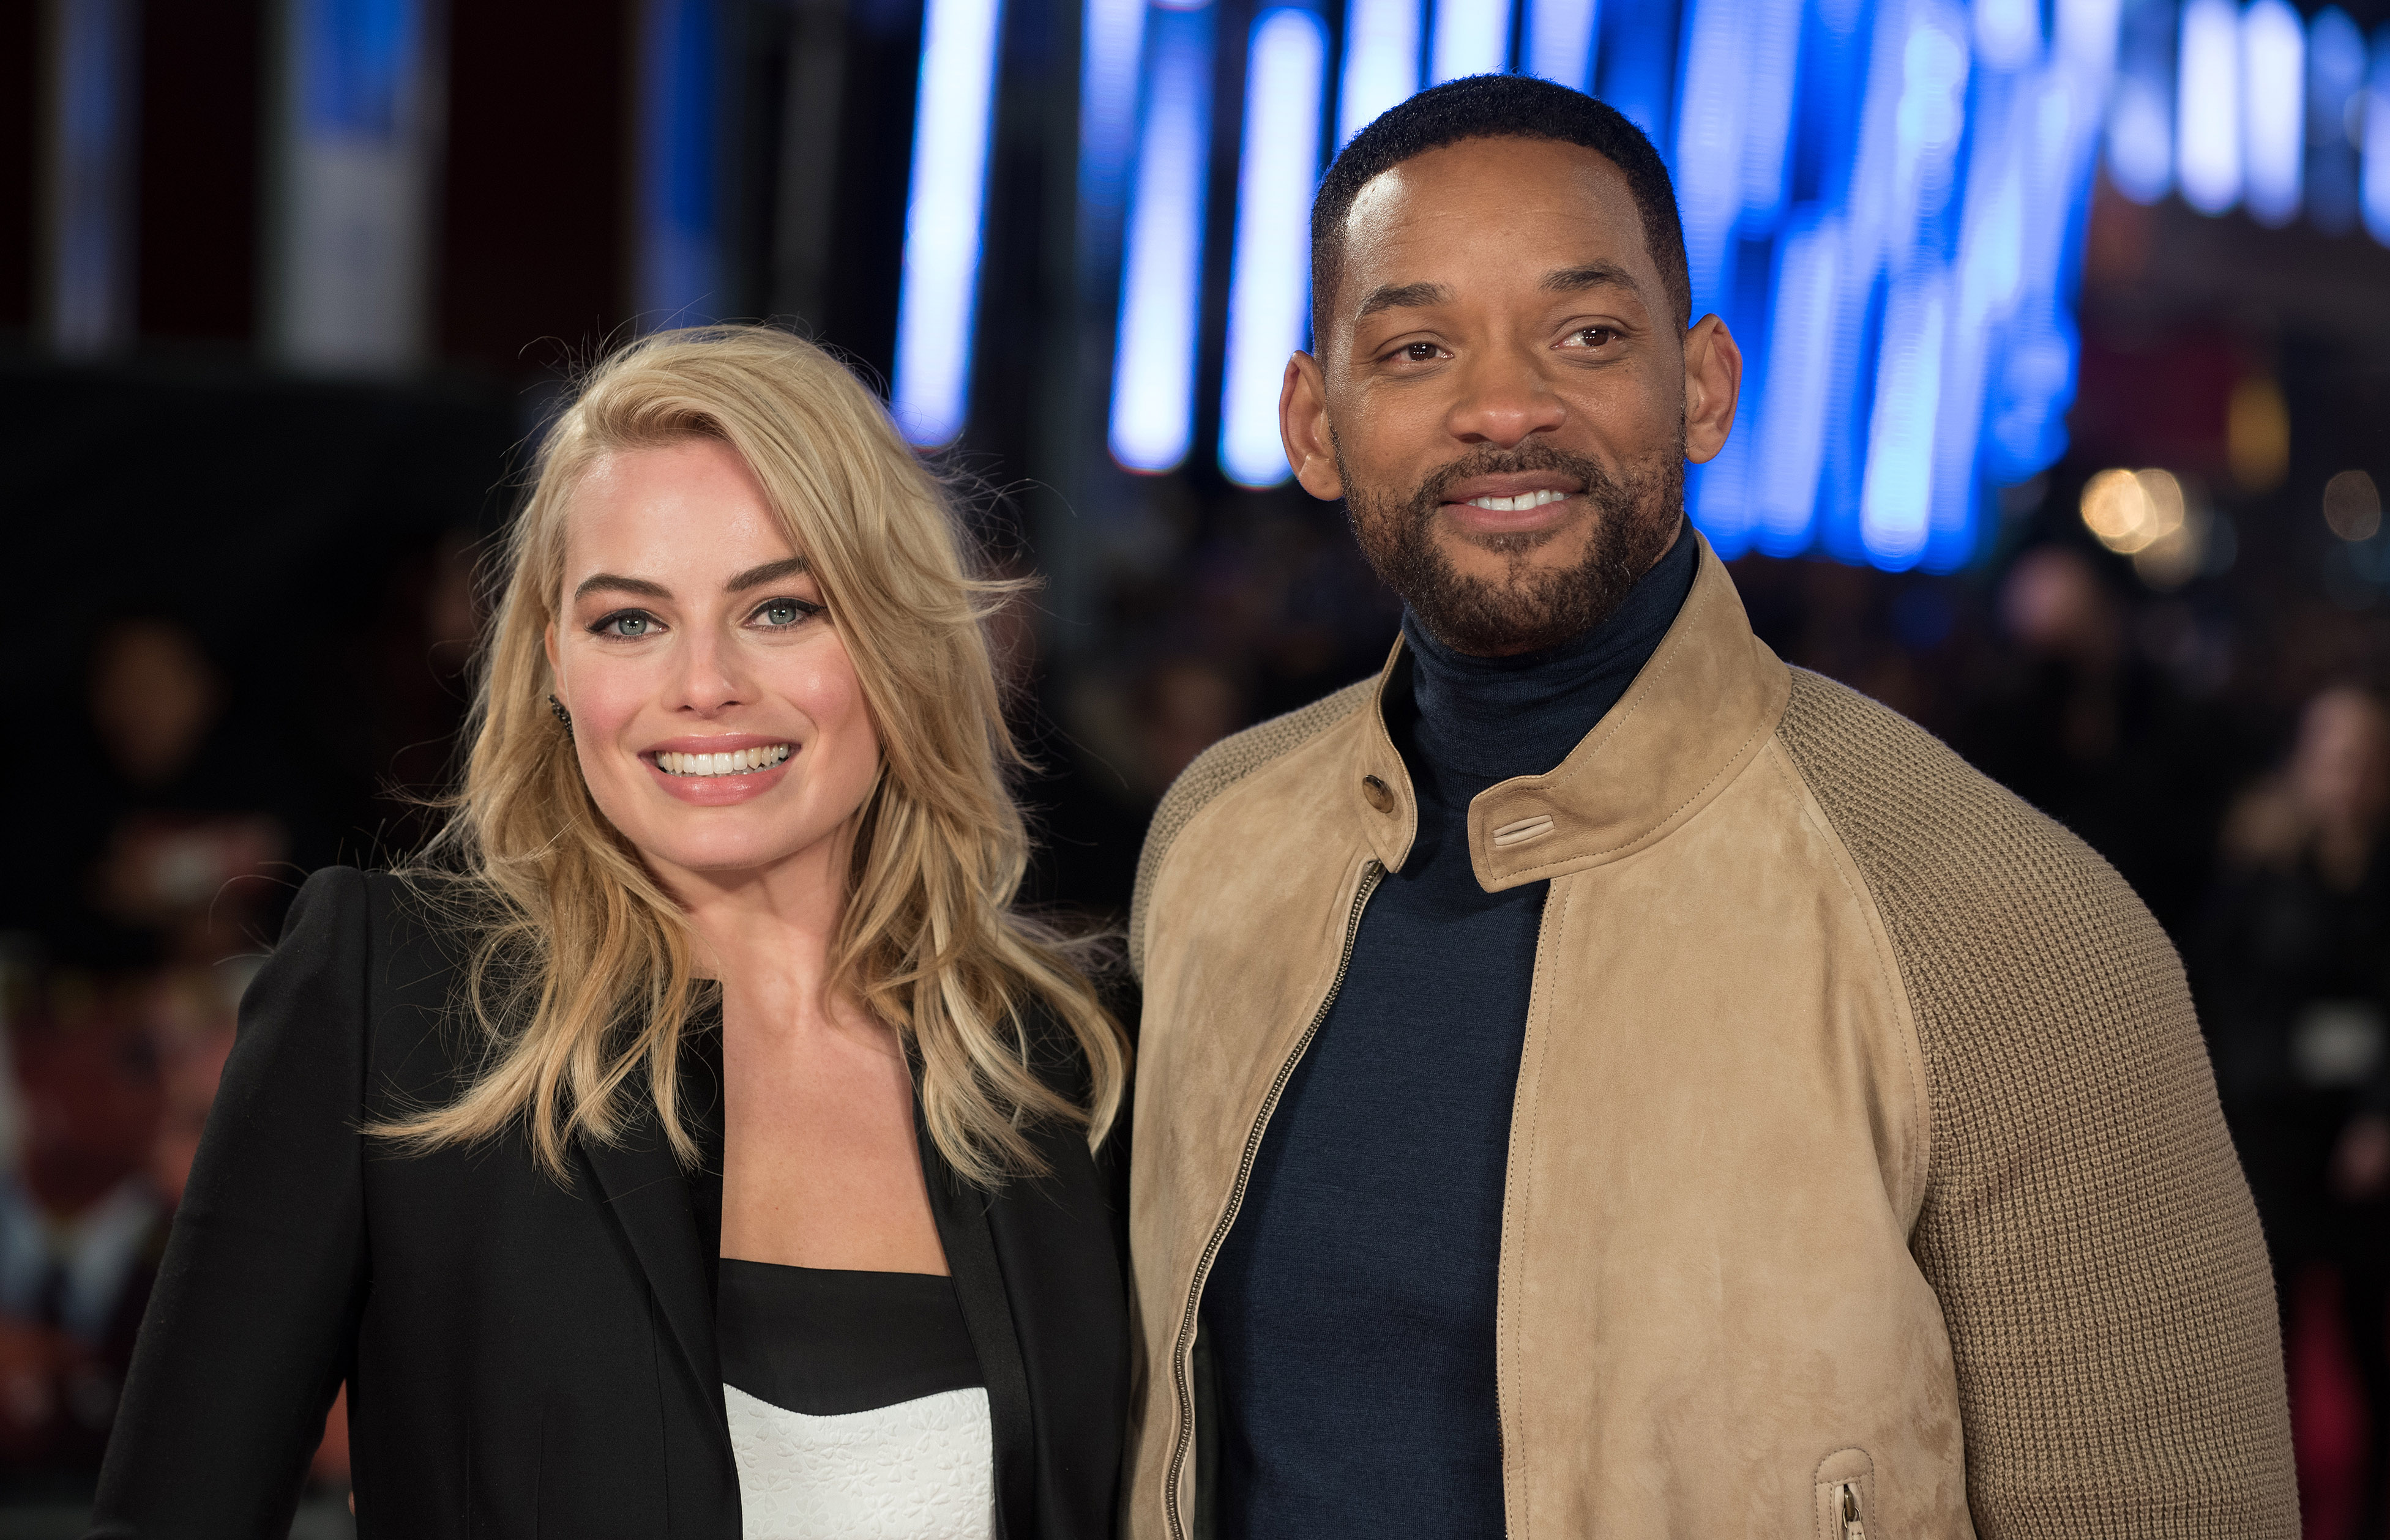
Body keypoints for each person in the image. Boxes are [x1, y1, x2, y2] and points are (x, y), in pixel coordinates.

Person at [1123, 75, 2292, 1539]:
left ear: (1704, 388)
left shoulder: (2010, 926)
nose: (1504, 407)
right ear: (1316, 422)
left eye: (1587, 335)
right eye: (1417, 348)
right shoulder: (1215, 845)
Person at [89, 326, 1132, 1539]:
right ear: (553, 662)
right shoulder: (395, 997)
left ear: (896, 636)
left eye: (781, 608)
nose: (704, 683)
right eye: (631, 621)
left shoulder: (1068, 1057)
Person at [2199, 683, 2390, 1536]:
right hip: (2273, 1135)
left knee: (2365, 1339)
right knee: (2263, 1341)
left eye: (2365, 759)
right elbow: (2218, 994)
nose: (2347, 776)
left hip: (2366, 1145)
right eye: (2333, 756)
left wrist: (2381, 1116)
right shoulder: (2260, 868)